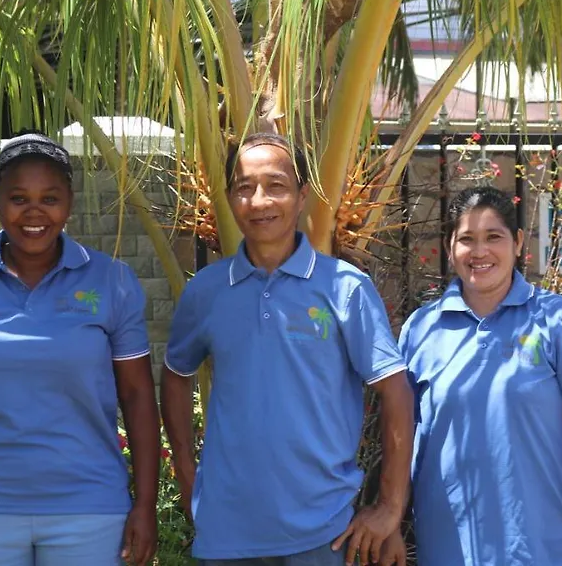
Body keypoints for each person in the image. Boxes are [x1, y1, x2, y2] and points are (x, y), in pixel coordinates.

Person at [0, 131, 160, 566]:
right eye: (19, 198)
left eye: (50, 198)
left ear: (70, 203)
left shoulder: (112, 281)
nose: (35, 212)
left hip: (90, 511)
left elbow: (137, 396)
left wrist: (146, 505)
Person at [160, 133, 414, 566]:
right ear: (229, 198)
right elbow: (175, 374)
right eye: (245, 187)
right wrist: (187, 475)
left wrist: (390, 508)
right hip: (226, 533)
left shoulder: (345, 288)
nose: (260, 201)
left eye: (276, 186)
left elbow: (396, 392)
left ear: (302, 196)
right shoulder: (206, 291)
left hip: (324, 533)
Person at [398, 186, 562, 566]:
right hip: (445, 546)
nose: (479, 252)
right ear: (450, 248)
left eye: (493, 237)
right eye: (467, 239)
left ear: (517, 243)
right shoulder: (421, 329)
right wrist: (390, 519)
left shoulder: (559, 322)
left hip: (535, 548)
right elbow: (401, 433)